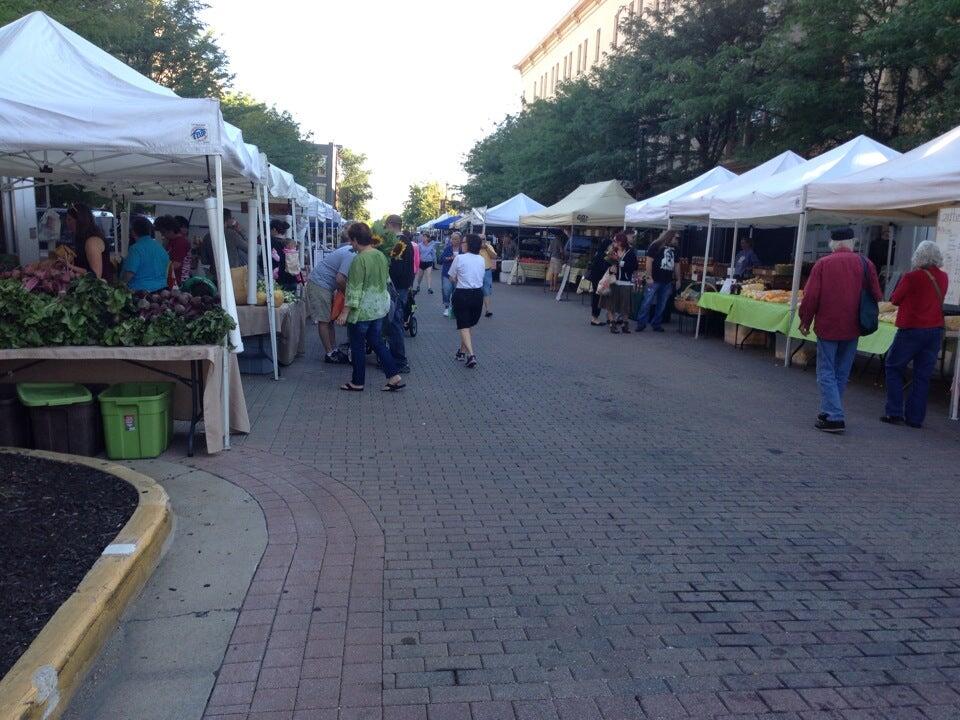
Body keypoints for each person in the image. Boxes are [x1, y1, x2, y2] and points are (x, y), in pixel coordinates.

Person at [799, 228, 882, 433]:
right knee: (841, 372)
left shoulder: (823, 264)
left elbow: (811, 296)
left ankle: (834, 415)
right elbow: (877, 294)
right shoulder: (865, 263)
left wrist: (805, 320)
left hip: (828, 324)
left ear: (832, 244)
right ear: (852, 242)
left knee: (826, 370)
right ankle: (828, 410)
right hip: (854, 325)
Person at [881, 240, 948, 428]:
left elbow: (895, 299)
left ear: (918, 256)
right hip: (934, 331)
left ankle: (894, 412)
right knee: (922, 375)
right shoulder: (943, 277)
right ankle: (915, 418)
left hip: (911, 329)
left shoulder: (911, 277)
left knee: (893, 367)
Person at [335, 222, 405, 392]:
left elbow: (354, 289)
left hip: (362, 312)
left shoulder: (359, 260)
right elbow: (386, 281)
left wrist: (345, 312)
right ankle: (393, 376)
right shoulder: (380, 255)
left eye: (351, 241)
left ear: (356, 240)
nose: (351, 244)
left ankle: (357, 382)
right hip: (379, 308)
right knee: (377, 342)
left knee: (358, 346)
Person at [306, 225, 355, 363]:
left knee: (329, 319)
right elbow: (340, 279)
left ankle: (333, 350)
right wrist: (348, 295)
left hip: (324, 284)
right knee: (324, 319)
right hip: (319, 284)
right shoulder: (351, 254)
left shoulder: (351, 251)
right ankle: (329, 353)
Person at [448, 234, 486, 368]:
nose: (462, 244)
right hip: (477, 295)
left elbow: (451, 277)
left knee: (464, 325)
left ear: (469, 244)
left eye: (463, 242)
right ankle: (462, 352)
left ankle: (471, 355)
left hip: (462, 294)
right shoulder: (481, 259)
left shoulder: (459, 258)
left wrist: (458, 279)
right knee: (468, 325)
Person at [636, 229, 681, 332]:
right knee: (647, 301)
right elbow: (649, 261)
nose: (677, 240)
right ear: (670, 236)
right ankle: (641, 323)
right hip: (655, 279)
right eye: (676, 237)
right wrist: (649, 276)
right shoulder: (656, 245)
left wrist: (678, 279)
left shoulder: (676, 249)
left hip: (667, 280)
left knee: (662, 304)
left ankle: (656, 323)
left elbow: (677, 265)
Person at [385, 214, 413, 374]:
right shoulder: (406, 241)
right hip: (402, 286)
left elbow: (396, 267)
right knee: (396, 321)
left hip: (396, 287)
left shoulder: (400, 242)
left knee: (395, 322)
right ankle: (397, 358)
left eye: (386, 226)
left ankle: (399, 361)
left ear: (391, 225)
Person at [65, 202, 114, 281]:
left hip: (97, 290)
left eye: (69, 219)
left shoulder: (92, 242)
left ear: (79, 220)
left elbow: (96, 275)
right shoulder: (81, 239)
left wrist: (70, 266)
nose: (67, 222)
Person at [121, 216, 169, 292]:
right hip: (162, 290)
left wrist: (120, 286)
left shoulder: (135, 249)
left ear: (133, 232)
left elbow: (129, 273)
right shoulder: (160, 248)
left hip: (141, 293)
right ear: (149, 231)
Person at [602, 233, 638, 334]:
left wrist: (621, 263)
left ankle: (625, 324)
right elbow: (604, 264)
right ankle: (612, 324)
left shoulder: (630, 252)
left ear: (620, 242)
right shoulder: (612, 251)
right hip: (612, 281)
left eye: (615, 241)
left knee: (625, 306)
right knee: (610, 304)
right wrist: (609, 269)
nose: (613, 243)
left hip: (625, 282)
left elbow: (634, 266)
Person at [201, 208, 247, 276]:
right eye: (232, 218)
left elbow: (204, 261)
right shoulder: (232, 234)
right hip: (232, 274)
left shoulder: (207, 236)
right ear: (228, 220)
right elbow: (249, 248)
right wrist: (240, 231)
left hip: (214, 274)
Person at [155, 215, 191, 286]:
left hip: (179, 281)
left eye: (163, 232)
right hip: (172, 279)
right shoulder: (171, 241)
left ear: (171, 230)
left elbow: (176, 264)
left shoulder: (181, 242)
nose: (162, 235)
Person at [587, 237, 613, 326]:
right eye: (611, 245)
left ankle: (597, 317)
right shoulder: (602, 255)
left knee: (597, 297)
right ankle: (594, 318)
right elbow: (603, 268)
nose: (612, 247)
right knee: (597, 298)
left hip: (597, 278)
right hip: (598, 279)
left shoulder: (600, 253)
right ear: (607, 246)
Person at [270, 220, 299, 292]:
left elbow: (263, 261)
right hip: (293, 277)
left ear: (274, 229)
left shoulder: (270, 242)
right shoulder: (290, 242)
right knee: (292, 300)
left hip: (279, 279)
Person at [439, 232, 461, 317]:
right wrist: (451, 258)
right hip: (447, 273)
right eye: (453, 238)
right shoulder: (448, 248)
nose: (454, 240)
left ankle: (454, 307)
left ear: (460, 240)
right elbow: (441, 259)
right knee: (446, 290)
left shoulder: (462, 249)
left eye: (456, 238)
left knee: (456, 292)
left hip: (458, 274)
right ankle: (447, 307)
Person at [479, 236, 498, 317]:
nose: (482, 241)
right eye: (480, 239)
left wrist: (486, 248)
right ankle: (476, 309)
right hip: (477, 272)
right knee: (477, 291)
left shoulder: (488, 246)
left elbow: (494, 256)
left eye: (484, 239)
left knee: (486, 291)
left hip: (487, 271)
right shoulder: (474, 246)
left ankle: (487, 310)